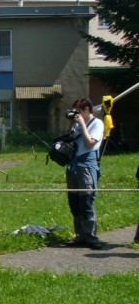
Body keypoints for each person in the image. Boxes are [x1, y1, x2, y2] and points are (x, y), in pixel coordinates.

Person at [65, 97, 104, 249]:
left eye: (79, 111)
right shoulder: (76, 124)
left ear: (87, 109)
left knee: (86, 202)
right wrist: (71, 124)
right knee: (74, 203)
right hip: (73, 167)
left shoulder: (97, 123)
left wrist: (82, 124)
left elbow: (89, 143)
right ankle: (80, 236)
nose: (77, 114)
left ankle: (91, 237)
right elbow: (67, 139)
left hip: (87, 167)